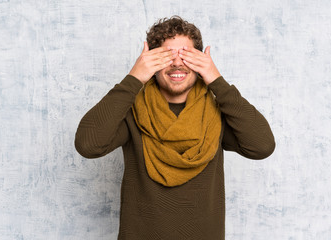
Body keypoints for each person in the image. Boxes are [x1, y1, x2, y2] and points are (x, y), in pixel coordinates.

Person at [75, 16, 275, 240]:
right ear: (150, 61)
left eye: (186, 55)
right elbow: (88, 144)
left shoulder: (217, 113)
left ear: (201, 61)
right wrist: (134, 78)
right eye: (167, 55)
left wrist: (217, 80)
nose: (177, 63)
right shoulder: (133, 111)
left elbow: (262, 146)